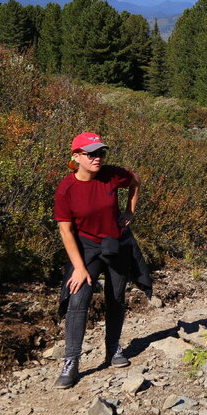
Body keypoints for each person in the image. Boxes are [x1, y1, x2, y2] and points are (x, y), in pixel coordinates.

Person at [52, 131, 150, 390]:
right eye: (91, 153)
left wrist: (130, 211)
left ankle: (113, 348)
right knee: (78, 297)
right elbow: (65, 230)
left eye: (101, 153)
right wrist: (79, 268)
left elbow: (135, 181)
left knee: (116, 296)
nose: (98, 158)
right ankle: (71, 362)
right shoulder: (67, 188)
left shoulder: (111, 174)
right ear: (76, 157)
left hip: (115, 243)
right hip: (85, 247)